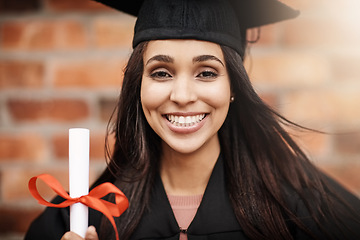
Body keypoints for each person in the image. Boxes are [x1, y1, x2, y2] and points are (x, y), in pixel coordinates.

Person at [25, 0, 360, 239]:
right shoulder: (83, 218)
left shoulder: (300, 208)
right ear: (138, 86)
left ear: (233, 87)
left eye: (206, 72)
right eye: (161, 72)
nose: (182, 95)